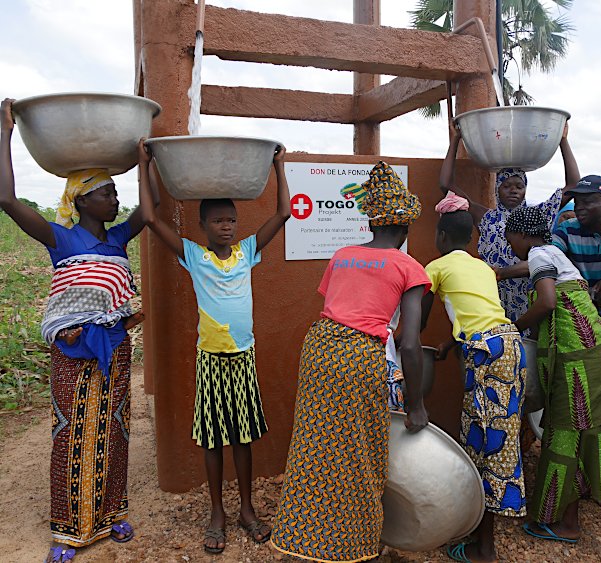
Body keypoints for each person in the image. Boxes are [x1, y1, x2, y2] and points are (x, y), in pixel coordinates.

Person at [0, 99, 155, 562]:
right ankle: (68, 530)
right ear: (82, 199)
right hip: (73, 350)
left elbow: (149, 212)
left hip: (115, 346)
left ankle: (111, 514)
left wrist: (145, 162)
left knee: (116, 428)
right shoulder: (60, 238)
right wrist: (4, 133)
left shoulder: (118, 237)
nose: (115, 200)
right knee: (70, 433)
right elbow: (6, 200)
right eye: (107, 193)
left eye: (116, 192)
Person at [271, 161, 430, 563]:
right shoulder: (409, 266)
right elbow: (409, 344)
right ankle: (356, 548)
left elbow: (334, 306)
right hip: (360, 356)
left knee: (315, 449)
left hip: (319, 348)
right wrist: (416, 403)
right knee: (361, 452)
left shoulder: (342, 255)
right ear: (405, 228)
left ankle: (303, 538)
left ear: (371, 225)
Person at [137, 140, 290, 553]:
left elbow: (284, 213)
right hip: (211, 361)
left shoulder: (246, 252)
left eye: (231, 219)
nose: (227, 226)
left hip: (243, 358)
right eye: (219, 220)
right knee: (213, 439)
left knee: (243, 438)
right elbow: (149, 217)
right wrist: (144, 164)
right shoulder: (193, 255)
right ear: (203, 226)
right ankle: (217, 512)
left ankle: (246, 509)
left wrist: (279, 164)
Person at [421, 193, 525, 563]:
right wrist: (452, 342)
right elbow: (477, 310)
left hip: (485, 353)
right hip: (510, 345)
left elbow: (416, 319)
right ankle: (481, 531)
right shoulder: (482, 268)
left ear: (441, 235)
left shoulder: (436, 267)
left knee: (485, 441)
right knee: (502, 435)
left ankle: (486, 548)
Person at [505, 206, 601, 544]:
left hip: (574, 361)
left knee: (562, 437)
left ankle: (563, 522)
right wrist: (498, 272)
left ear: (521, 235)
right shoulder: (553, 250)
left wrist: (514, 326)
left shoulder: (539, 254)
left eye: (510, 237)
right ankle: (571, 512)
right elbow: (532, 268)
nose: (509, 243)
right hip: (596, 351)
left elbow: (548, 302)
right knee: (583, 434)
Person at [439, 121, 579, 324]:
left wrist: (563, 141)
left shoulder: (538, 215)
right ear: (497, 188)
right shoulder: (485, 217)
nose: (514, 191)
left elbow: (574, 185)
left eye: (519, 186)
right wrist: (455, 140)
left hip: (531, 302)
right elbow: (446, 185)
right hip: (493, 300)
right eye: (507, 186)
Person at [552, 175, 601, 307]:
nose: (579, 208)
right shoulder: (568, 229)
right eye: (577, 202)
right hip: (579, 314)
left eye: (587, 202)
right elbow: (548, 256)